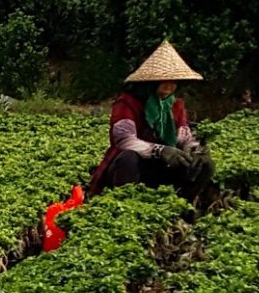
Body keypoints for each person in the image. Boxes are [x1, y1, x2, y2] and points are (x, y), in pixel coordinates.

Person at [88, 41, 214, 198]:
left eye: (173, 82)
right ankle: (125, 203)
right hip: (133, 168)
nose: (168, 87)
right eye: (163, 82)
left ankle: (181, 207)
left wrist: (193, 149)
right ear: (150, 82)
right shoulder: (128, 102)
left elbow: (183, 134)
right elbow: (125, 140)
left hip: (162, 167)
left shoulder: (175, 104)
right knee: (128, 158)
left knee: (205, 164)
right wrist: (160, 151)